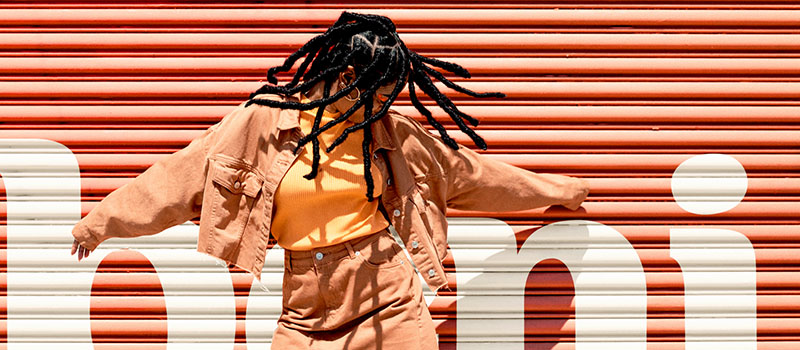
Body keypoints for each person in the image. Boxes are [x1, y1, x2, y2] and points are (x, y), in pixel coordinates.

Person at [71, 12, 589, 350]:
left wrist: (559, 192)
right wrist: (99, 224)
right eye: (378, 93)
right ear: (345, 77)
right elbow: (175, 179)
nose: (385, 105)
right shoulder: (259, 123)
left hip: (387, 297)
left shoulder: (392, 135)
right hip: (305, 310)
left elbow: (470, 176)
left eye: (390, 94)